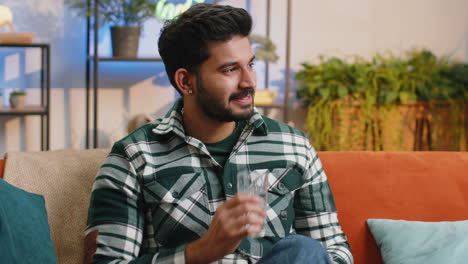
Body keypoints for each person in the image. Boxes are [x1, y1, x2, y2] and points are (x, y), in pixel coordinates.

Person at [84, 3, 353, 264]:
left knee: (302, 250)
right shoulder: (133, 157)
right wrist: (201, 251)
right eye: (230, 69)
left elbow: (335, 250)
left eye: (250, 65)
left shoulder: (293, 145)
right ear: (186, 81)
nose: (249, 82)